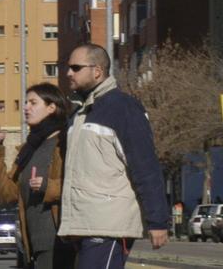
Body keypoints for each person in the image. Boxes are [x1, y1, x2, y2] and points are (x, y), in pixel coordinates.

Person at [57, 43, 170, 269]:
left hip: (108, 225)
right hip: (82, 222)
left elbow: (145, 166)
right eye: (68, 67)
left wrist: (157, 220)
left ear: (97, 71)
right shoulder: (80, 113)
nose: (69, 73)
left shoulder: (123, 108)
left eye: (76, 67)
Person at [0, 83, 69, 268]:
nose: (26, 107)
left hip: (58, 242)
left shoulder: (64, 143)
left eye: (33, 102)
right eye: (25, 103)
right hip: (31, 243)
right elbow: (5, 193)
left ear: (51, 107)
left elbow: (81, 183)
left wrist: (48, 186)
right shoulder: (29, 149)